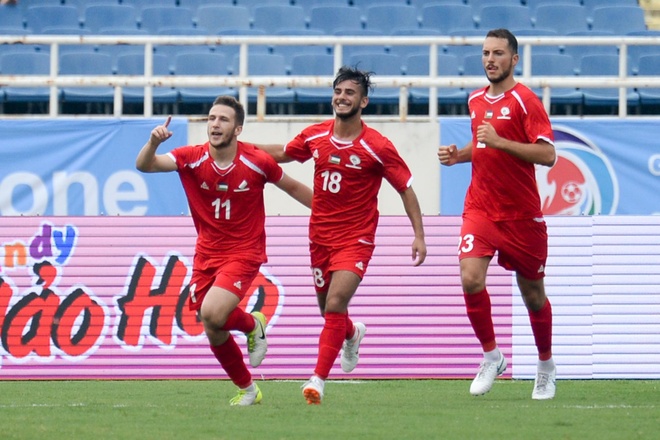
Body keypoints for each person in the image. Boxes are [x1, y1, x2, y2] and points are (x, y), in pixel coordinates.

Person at [256, 66, 427, 405]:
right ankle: (352, 332)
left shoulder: (378, 146)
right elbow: (284, 153)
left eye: (350, 93)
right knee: (329, 312)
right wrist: (240, 146)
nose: (342, 97)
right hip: (319, 237)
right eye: (338, 91)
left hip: (356, 238)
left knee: (336, 303)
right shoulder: (317, 136)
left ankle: (317, 380)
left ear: (363, 101)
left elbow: (406, 189)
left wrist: (419, 235)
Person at [136, 95, 312, 406]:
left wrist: (334, 215)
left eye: (223, 119)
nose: (215, 124)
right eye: (212, 118)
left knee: (212, 312)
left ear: (238, 129)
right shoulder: (191, 157)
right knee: (213, 326)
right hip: (207, 252)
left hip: (245, 250)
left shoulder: (257, 161)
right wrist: (152, 142)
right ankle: (248, 388)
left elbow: (294, 187)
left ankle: (251, 325)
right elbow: (145, 165)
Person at [438, 29, 557, 400]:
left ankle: (545, 366)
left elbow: (548, 155)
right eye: (486, 53)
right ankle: (491, 355)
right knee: (470, 278)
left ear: (514, 59)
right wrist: (461, 156)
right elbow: (484, 143)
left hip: (521, 216)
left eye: (499, 53)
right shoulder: (475, 99)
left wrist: (502, 141)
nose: (490, 59)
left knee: (533, 295)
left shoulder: (526, 101)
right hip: (481, 209)